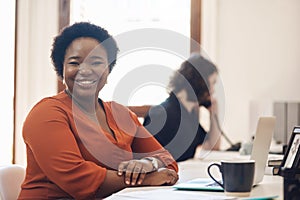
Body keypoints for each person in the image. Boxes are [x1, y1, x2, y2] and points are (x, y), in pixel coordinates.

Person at [18, 22, 178, 199]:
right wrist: (148, 178)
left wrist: (149, 163)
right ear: (61, 70)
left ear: (108, 70)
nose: (85, 70)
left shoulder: (121, 114)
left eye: (96, 62)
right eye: (74, 62)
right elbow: (79, 180)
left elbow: (167, 161)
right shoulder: (46, 114)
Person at [143, 53, 221, 162]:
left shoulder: (189, 114)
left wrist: (214, 113)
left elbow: (213, 146)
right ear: (201, 82)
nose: (213, 91)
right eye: (212, 83)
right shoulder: (161, 114)